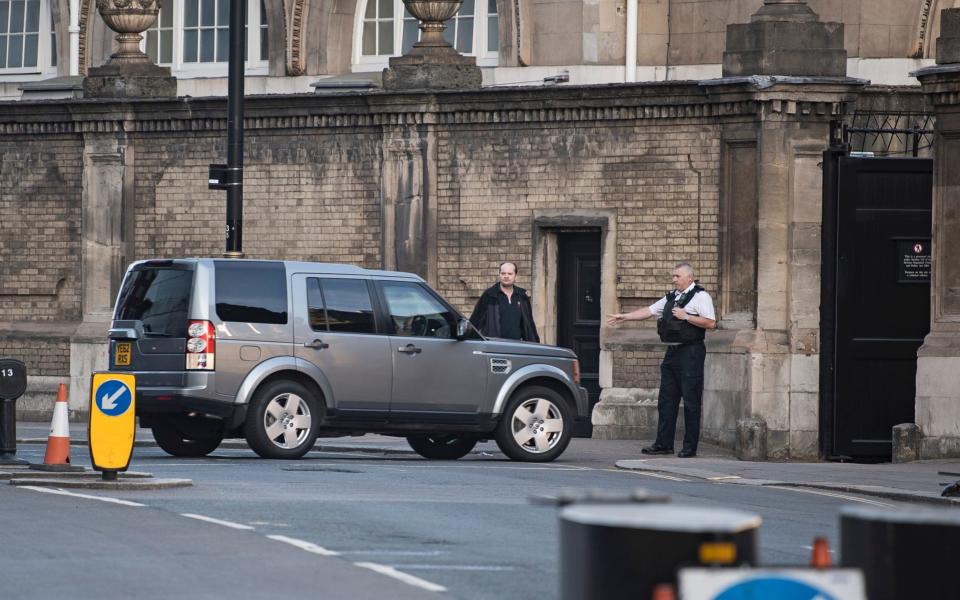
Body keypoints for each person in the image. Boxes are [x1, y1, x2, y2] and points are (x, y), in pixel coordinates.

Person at [607, 262, 716, 457]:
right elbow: (648, 311)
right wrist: (624, 317)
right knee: (666, 400)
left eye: (677, 276)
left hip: (691, 353)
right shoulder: (671, 297)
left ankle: (690, 448)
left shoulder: (701, 296)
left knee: (691, 401)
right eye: (673, 276)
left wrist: (686, 316)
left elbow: (710, 322)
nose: (674, 279)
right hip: (672, 353)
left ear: (689, 277)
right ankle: (663, 444)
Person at [469, 262, 540, 342]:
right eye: (503, 273)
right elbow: (474, 322)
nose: (506, 276)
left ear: (515, 276)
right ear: (499, 274)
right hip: (495, 346)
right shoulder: (489, 295)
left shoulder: (522, 296)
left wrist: (535, 344)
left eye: (510, 274)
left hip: (518, 346)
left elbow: (529, 324)